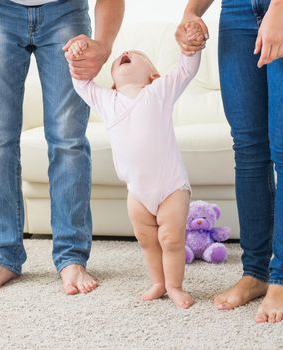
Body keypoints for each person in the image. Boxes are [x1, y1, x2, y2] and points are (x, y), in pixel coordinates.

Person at [0, 0, 125, 296]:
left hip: (65, 10)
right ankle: (3, 257)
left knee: (68, 139)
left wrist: (103, 45)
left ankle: (72, 258)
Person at [175, 0, 283, 322]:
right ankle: (255, 273)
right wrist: (192, 12)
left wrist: (280, 10)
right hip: (237, 9)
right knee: (249, 149)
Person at [66, 22, 205, 308]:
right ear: (113, 81)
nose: (126, 53)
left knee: (170, 239)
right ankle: (158, 282)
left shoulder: (158, 92)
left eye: (136, 55)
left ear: (153, 75)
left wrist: (190, 44)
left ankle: (175, 286)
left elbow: (185, 69)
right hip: (137, 193)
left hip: (171, 188)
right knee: (146, 240)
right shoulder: (107, 100)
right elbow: (81, 83)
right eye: (120, 58)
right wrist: (77, 56)